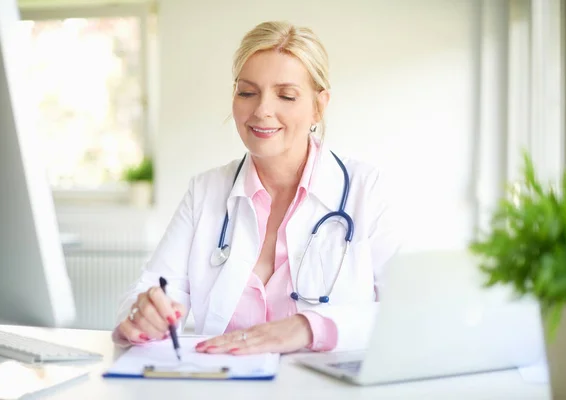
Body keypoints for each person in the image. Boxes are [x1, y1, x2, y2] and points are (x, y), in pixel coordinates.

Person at [112, 21, 400, 355]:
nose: (261, 110)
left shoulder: (367, 189)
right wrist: (143, 315)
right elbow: (153, 289)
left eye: (286, 95)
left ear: (319, 106)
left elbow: (412, 310)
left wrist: (309, 327)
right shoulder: (205, 191)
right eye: (247, 92)